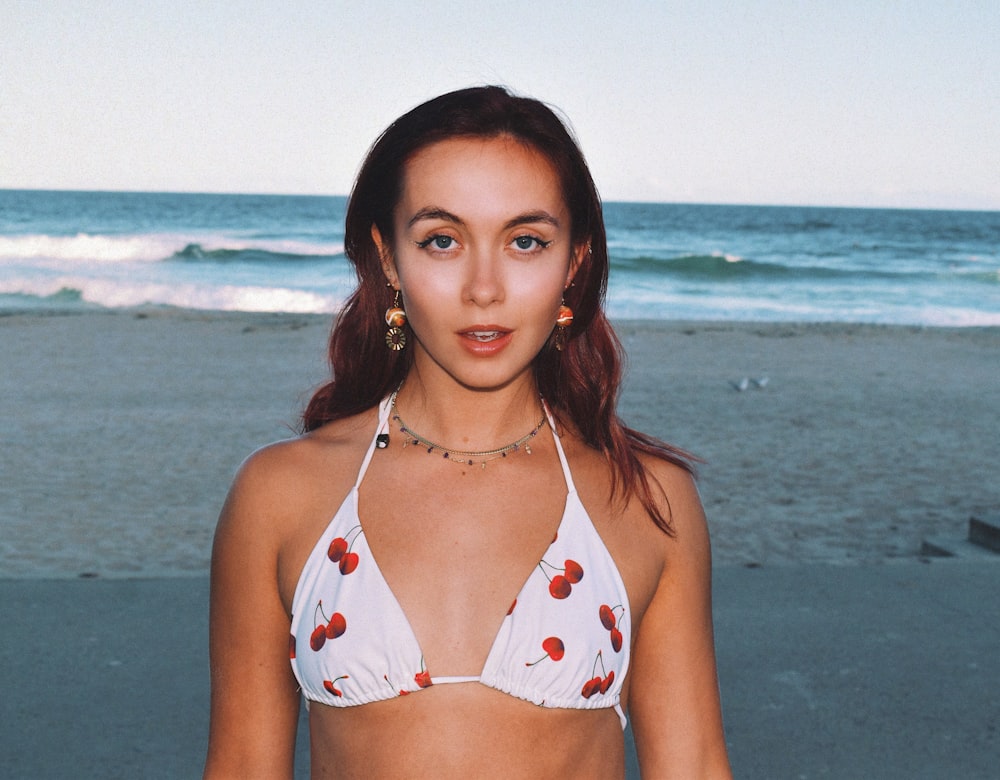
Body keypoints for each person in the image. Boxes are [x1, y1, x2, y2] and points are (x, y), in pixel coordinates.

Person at [204, 85, 731, 779]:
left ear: (574, 261)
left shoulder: (647, 501)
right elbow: (242, 765)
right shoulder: (281, 494)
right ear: (388, 258)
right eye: (442, 241)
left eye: (526, 241)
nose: (485, 288)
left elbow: (691, 767)